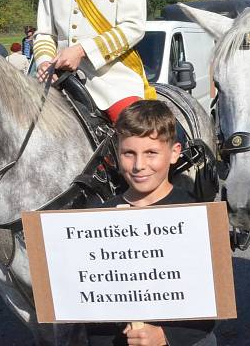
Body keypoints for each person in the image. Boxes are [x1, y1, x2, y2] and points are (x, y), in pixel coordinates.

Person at [85, 100, 216, 346]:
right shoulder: (98, 218)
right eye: (129, 153)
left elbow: (210, 303)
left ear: (175, 153)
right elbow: (91, 307)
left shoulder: (194, 217)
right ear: (117, 152)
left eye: (151, 153)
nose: (138, 165)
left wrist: (165, 335)